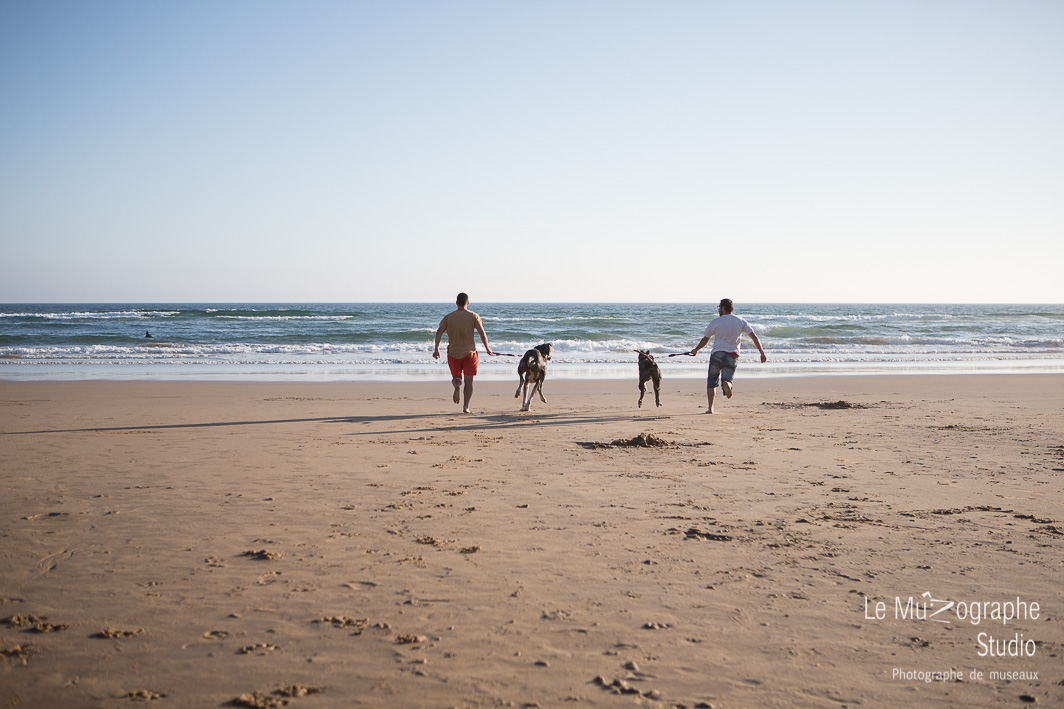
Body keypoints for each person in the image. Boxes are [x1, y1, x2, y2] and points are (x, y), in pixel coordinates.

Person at [684, 298, 766, 414]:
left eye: (719, 307)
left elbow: (705, 339)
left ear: (723, 308)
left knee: (712, 381)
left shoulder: (716, 322)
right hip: (732, 354)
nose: (718, 309)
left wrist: (696, 350)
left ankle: (710, 408)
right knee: (728, 378)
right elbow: (754, 337)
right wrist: (761, 352)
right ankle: (727, 384)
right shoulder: (740, 321)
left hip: (717, 354)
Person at [433, 293, 495, 414]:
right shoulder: (473, 316)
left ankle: (457, 385)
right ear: (468, 303)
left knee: (456, 378)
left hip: (453, 353)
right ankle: (466, 407)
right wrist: (488, 348)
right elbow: (482, 334)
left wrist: (436, 349)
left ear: (456, 303)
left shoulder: (448, 317)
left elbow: (438, 333)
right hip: (469, 353)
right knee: (469, 382)